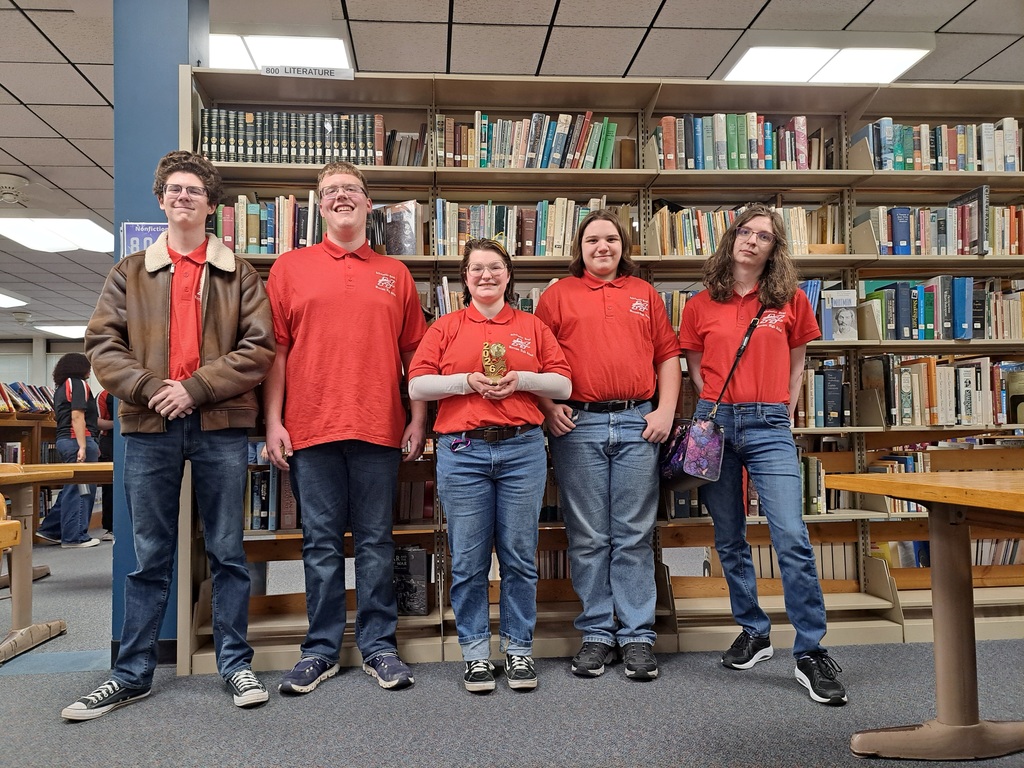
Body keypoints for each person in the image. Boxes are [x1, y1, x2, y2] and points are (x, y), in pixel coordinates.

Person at [63, 150, 276, 720]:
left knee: (228, 552)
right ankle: (131, 674)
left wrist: (196, 387)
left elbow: (258, 349)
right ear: (161, 200)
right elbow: (102, 345)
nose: (184, 198)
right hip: (149, 426)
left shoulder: (242, 275)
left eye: (195, 191)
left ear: (211, 204)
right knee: (149, 555)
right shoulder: (128, 273)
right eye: (174, 190)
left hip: (221, 428)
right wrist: (151, 387)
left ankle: (236, 664)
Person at [264, 160, 426, 695]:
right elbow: (277, 354)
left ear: (367, 203)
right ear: (320, 204)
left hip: (380, 426)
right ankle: (321, 650)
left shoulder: (395, 274)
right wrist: (273, 422)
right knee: (321, 545)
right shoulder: (289, 268)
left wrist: (418, 419)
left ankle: (380, 647)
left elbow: (415, 357)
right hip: (311, 427)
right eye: (330, 190)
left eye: (350, 190)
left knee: (377, 543)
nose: (340, 197)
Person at [678, 204, 848, 706]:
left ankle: (811, 650)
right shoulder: (699, 304)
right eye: (746, 232)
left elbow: (798, 364)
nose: (752, 241)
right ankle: (753, 630)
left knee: (790, 535)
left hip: (770, 423)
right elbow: (693, 363)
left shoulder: (790, 301)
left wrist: (783, 411)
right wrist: (710, 406)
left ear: (776, 249)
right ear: (732, 238)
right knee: (728, 536)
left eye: (765, 237)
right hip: (716, 423)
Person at [408, 238, 571, 693]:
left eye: (494, 267)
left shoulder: (532, 326)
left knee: (520, 556)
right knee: (468, 559)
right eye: (476, 268)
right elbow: (418, 385)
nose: (486, 275)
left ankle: (518, 651)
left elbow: (562, 381)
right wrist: (465, 383)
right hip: (463, 453)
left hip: (522, 450)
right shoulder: (445, 327)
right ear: (465, 278)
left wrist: (522, 380)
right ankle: (477, 654)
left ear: (508, 274)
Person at [535, 209, 680, 681]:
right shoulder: (557, 295)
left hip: (640, 421)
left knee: (634, 534)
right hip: (580, 425)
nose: (603, 247)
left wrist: (664, 411)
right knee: (589, 536)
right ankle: (598, 632)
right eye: (593, 239)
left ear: (624, 246)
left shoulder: (644, 295)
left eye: (611, 239)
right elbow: (533, 357)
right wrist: (547, 407)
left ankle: (637, 636)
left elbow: (669, 357)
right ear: (579, 247)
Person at [35, 353, 101, 548]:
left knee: (72, 488)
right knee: (83, 489)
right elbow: (77, 416)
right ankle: (74, 537)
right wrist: (82, 445)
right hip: (76, 439)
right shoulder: (77, 383)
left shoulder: (62, 387)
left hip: (66, 439)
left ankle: (51, 528)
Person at [96, 388, 115, 542]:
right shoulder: (104, 394)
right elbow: (97, 422)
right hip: (109, 442)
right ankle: (110, 527)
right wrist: (120, 423)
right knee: (110, 486)